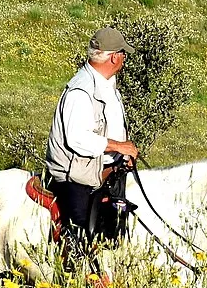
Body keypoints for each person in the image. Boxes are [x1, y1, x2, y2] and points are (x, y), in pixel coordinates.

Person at [44, 26, 141, 262]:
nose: (124, 59)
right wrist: (118, 146)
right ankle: (72, 279)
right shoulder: (81, 90)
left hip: (103, 171)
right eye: (122, 54)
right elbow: (77, 138)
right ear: (114, 57)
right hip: (76, 177)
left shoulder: (107, 85)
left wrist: (122, 155)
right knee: (79, 241)